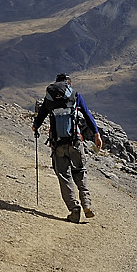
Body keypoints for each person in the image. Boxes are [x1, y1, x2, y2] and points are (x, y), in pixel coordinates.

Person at [32, 73, 104, 223]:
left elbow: (41, 116)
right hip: (75, 141)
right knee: (80, 171)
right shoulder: (75, 96)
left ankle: (74, 209)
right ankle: (86, 204)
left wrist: (36, 126)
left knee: (64, 176)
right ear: (68, 84)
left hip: (57, 143)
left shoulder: (50, 98)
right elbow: (87, 114)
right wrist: (96, 134)